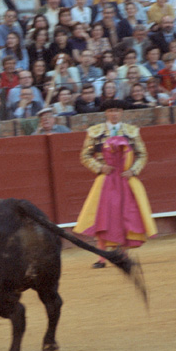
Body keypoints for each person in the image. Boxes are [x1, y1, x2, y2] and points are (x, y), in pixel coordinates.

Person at [74, 99, 155, 268]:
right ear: (106, 113)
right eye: (111, 110)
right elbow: (85, 156)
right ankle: (102, 257)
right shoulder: (95, 132)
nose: (114, 114)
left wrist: (133, 170)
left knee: (125, 215)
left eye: (117, 110)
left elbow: (143, 154)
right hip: (106, 180)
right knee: (103, 217)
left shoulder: (132, 131)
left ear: (122, 112)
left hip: (126, 179)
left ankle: (123, 256)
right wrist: (100, 167)